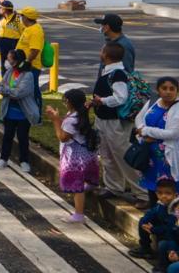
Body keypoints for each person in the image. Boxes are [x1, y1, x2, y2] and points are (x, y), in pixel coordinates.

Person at [91, 43, 146, 205]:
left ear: (106, 55)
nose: (100, 52)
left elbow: (120, 97)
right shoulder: (108, 72)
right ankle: (113, 186)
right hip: (103, 120)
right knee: (107, 155)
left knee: (123, 156)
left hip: (115, 122)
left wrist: (102, 101)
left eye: (102, 50)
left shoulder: (118, 74)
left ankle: (142, 193)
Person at [45, 88, 100, 224]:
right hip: (85, 153)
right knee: (86, 174)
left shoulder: (71, 120)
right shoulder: (80, 113)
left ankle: (79, 214)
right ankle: (91, 184)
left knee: (76, 185)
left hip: (74, 156)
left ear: (69, 102)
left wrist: (55, 120)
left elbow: (62, 137)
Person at [134, 76, 179, 210]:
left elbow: (173, 133)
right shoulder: (154, 101)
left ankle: (170, 216)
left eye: (172, 89)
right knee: (152, 182)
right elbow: (139, 118)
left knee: (169, 186)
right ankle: (154, 210)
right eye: (164, 88)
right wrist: (143, 134)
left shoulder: (177, 108)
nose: (168, 92)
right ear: (158, 90)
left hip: (167, 157)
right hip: (150, 155)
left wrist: (146, 131)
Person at [0, 49, 40, 174]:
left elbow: (19, 93)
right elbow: (0, 87)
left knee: (22, 137)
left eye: (10, 59)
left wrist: (7, 90)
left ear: (16, 61)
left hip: (23, 113)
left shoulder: (28, 75)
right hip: (9, 111)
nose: (7, 61)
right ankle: (3, 159)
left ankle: (24, 161)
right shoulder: (9, 72)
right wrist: (9, 90)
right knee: (7, 136)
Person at [129, 178, 177, 266]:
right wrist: (145, 221)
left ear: (175, 195)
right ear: (156, 194)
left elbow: (170, 228)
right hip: (162, 226)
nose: (164, 196)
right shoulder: (161, 203)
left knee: (163, 244)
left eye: (168, 193)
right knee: (143, 221)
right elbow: (152, 212)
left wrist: (153, 229)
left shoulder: (175, 209)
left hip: (172, 235)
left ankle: (162, 266)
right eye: (160, 193)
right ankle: (145, 248)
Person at [15, 7, 45, 87]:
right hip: (24, 64)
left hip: (31, 66)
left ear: (26, 17)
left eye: (22, 16)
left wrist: (26, 62)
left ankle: (36, 100)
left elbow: (35, 50)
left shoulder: (35, 31)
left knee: (32, 90)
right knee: (21, 88)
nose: (21, 18)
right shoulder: (29, 28)